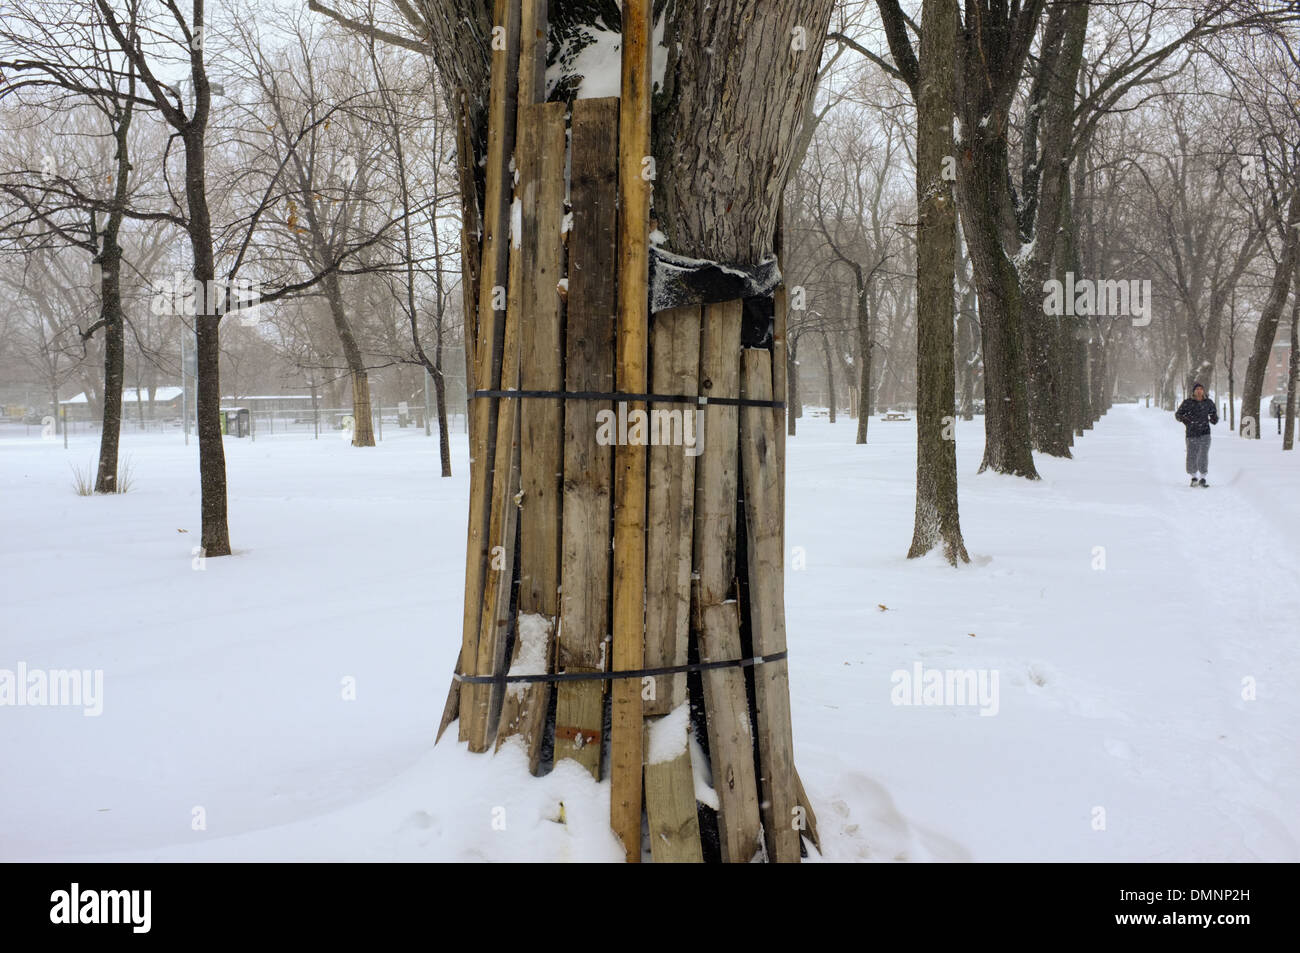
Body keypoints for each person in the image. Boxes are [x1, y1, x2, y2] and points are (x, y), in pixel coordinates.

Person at [1174, 383, 1218, 487]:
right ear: (1193, 391)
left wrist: (1213, 419)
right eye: (1197, 389)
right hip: (1191, 433)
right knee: (1192, 455)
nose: (1199, 391)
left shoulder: (1208, 402)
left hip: (1205, 433)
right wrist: (1186, 421)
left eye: (1201, 389)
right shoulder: (1188, 403)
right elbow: (1178, 415)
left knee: (1203, 454)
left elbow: (1213, 415)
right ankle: (1194, 477)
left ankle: (1203, 478)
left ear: (1203, 391)